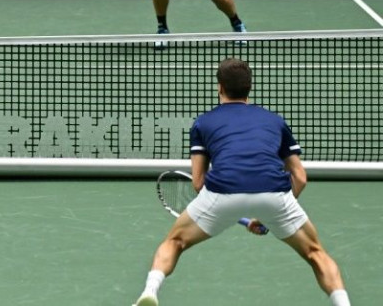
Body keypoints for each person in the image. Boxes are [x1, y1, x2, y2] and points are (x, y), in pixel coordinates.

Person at [133, 58, 351, 306]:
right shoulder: (275, 121)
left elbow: (198, 182)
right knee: (315, 252)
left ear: (220, 87)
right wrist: (269, 214)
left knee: (175, 241)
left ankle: (149, 292)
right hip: (275, 193)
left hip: (222, 193)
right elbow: (300, 177)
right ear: (250, 88)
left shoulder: (203, 123)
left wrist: (230, 206)